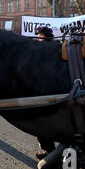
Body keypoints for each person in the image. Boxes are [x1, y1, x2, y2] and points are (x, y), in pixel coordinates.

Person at [34, 25, 56, 159]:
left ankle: (49, 150)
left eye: (39, 36)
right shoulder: (55, 46)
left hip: (47, 90)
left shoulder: (43, 49)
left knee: (41, 123)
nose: (38, 38)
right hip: (49, 89)